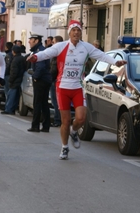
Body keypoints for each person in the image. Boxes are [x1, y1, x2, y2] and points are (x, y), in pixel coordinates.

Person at [27, 20, 127, 160]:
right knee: (65, 121)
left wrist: (115, 62)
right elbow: (47, 53)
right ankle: (64, 147)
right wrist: (35, 57)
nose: (76, 33)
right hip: (62, 88)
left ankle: (74, 132)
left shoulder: (86, 47)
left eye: (78, 30)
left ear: (81, 33)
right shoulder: (61, 46)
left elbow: (101, 55)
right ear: (69, 32)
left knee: (81, 118)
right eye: (73, 30)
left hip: (78, 87)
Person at [27, 32, 52, 133]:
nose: (29, 42)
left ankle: (35, 126)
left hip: (41, 80)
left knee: (37, 103)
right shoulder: (40, 50)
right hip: (45, 79)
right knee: (44, 103)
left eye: (31, 40)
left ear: (36, 41)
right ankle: (46, 126)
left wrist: (35, 77)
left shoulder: (39, 51)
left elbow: (40, 67)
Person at [1, 45, 26, 114]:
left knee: (11, 95)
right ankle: (12, 109)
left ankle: (8, 109)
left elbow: (14, 72)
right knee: (15, 96)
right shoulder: (22, 58)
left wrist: (10, 80)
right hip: (20, 79)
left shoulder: (15, 60)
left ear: (13, 52)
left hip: (15, 80)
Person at [50, 35, 63, 127]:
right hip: (60, 79)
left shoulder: (57, 52)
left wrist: (50, 77)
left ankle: (58, 120)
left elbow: (54, 68)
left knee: (56, 101)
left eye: (53, 42)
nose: (52, 44)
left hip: (56, 80)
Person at [3, 41, 14, 107]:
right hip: (10, 75)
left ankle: (7, 106)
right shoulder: (11, 54)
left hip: (7, 75)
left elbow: (7, 66)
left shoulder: (8, 55)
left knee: (7, 91)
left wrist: (4, 74)